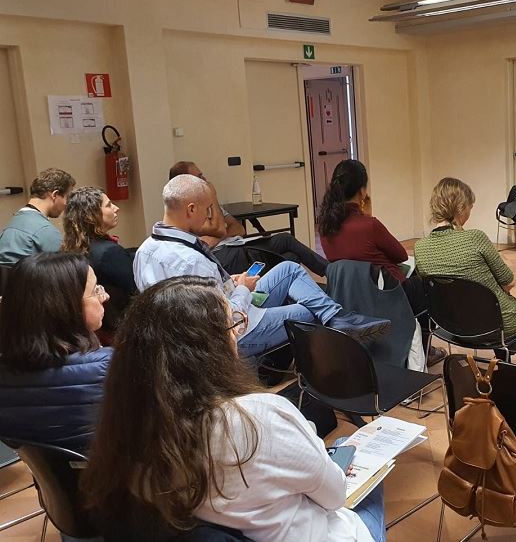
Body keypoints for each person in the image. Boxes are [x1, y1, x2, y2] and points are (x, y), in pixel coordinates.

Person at [82, 276, 385, 542]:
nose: (236, 335)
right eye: (232, 325)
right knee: (362, 458)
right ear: (208, 347)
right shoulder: (259, 418)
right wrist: (308, 442)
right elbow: (334, 496)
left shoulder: (130, 425)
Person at [134, 174, 389, 359]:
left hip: (199, 325)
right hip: (238, 331)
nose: (210, 216)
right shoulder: (192, 261)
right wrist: (242, 289)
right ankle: (334, 361)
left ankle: (336, 317)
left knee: (289, 268)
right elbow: (228, 322)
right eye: (208, 209)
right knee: (310, 311)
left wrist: (231, 283)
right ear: (191, 209)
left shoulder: (145, 251)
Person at [318, 159, 446, 366]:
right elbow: (400, 255)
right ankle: (423, 350)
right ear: (362, 191)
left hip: (349, 294)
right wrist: (367, 216)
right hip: (387, 293)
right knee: (427, 287)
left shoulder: (325, 227)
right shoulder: (369, 225)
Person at [0, 252, 111, 454]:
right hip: (108, 472)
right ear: (65, 306)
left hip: (44, 474)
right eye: (95, 290)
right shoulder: (111, 366)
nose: (104, 297)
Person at [414, 177, 516, 355]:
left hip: (454, 327)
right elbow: (509, 282)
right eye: (469, 208)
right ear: (460, 208)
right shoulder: (475, 238)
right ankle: (508, 348)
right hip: (500, 325)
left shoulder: (420, 247)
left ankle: (505, 348)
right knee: (496, 304)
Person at [168, 161, 328, 276]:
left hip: (237, 244)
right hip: (224, 256)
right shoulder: (188, 209)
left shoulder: (210, 205)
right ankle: (329, 275)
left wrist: (219, 235)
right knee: (290, 258)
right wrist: (213, 196)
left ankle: (329, 273)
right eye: (199, 177)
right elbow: (211, 239)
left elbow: (239, 229)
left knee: (286, 243)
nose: (205, 180)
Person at [62, 186, 136, 333]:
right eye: (108, 205)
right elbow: (134, 290)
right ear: (91, 216)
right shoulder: (109, 253)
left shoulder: (71, 249)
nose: (116, 208)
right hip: (118, 327)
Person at [0, 167, 75, 265]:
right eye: (67, 197)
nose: (67, 204)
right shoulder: (45, 230)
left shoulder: (11, 225)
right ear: (55, 195)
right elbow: (67, 268)